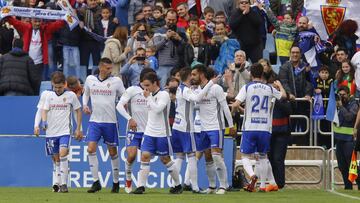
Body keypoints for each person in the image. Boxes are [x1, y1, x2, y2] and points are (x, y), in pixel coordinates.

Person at [231, 63, 286, 192]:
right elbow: (283, 96)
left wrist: (235, 108)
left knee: (245, 156)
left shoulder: (247, 87)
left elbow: (236, 104)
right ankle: (262, 186)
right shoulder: (268, 88)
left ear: (251, 74)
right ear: (262, 74)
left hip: (250, 126)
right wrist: (281, 87)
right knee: (263, 157)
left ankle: (252, 176)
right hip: (265, 128)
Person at [133, 72, 182, 194]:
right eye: (144, 86)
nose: (146, 88)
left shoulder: (164, 95)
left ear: (155, 83)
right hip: (149, 132)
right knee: (144, 156)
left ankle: (178, 185)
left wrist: (148, 97)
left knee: (165, 159)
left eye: (148, 85)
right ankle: (141, 186)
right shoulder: (149, 94)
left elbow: (158, 109)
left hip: (162, 133)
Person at [172, 67, 218, 193]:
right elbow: (197, 99)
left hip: (177, 126)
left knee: (179, 157)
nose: (193, 77)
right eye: (191, 75)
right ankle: (195, 187)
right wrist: (210, 84)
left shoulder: (181, 89)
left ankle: (175, 185)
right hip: (186, 128)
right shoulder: (186, 90)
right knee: (192, 157)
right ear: (188, 77)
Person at [82, 57, 125, 193]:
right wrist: (84, 105)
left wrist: (123, 106)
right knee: (90, 149)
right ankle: (96, 182)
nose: (110, 70)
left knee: (112, 152)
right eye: (108, 68)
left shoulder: (116, 81)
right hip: (95, 121)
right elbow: (86, 94)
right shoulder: (90, 79)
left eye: (111, 68)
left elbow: (125, 96)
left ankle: (116, 183)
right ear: (101, 67)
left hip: (110, 122)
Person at [192, 65, 236, 194]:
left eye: (194, 74)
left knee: (217, 156)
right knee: (207, 157)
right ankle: (212, 186)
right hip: (203, 128)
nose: (192, 77)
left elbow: (225, 107)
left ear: (201, 75)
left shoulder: (216, 88)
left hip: (216, 126)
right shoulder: (197, 90)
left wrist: (231, 125)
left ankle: (223, 185)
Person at [40, 71, 83, 193]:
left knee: (63, 154)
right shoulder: (48, 96)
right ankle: (56, 183)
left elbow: (78, 110)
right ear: (52, 85)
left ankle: (64, 184)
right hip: (51, 132)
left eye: (60, 87)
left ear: (64, 84)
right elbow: (44, 110)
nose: (57, 89)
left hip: (65, 131)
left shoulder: (71, 96)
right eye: (55, 87)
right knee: (56, 159)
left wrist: (78, 128)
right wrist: (44, 122)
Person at [116, 68, 155, 193]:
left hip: (149, 131)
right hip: (134, 130)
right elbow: (119, 106)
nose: (147, 84)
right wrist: (130, 118)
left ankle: (140, 186)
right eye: (145, 81)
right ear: (141, 80)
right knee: (131, 156)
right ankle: (128, 180)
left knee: (145, 157)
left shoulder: (154, 92)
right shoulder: (132, 90)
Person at [5, 17, 65, 94]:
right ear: (31, 21)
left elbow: (57, 25)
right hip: (27, 61)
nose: (37, 23)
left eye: (39, 21)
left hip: (40, 63)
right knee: (26, 82)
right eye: (35, 21)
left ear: (42, 21)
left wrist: (66, 17)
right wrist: (7, 15)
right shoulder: (26, 27)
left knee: (40, 83)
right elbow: (15, 22)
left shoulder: (45, 29)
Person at [152, 9, 187, 87]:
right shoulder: (159, 31)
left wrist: (180, 39)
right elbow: (155, 48)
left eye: (173, 20)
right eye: (169, 19)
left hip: (178, 66)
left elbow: (187, 47)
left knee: (178, 90)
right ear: (165, 18)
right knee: (164, 89)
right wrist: (166, 38)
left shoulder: (181, 30)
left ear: (177, 19)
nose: (171, 22)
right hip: (163, 66)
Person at [334, 86, 360, 190]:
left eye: (343, 95)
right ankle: (347, 186)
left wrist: (341, 107)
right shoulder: (337, 104)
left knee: (351, 164)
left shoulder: (354, 104)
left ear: (348, 94)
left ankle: (359, 183)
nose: (341, 97)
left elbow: (350, 117)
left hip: (349, 139)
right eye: (340, 95)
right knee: (342, 165)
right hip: (339, 138)